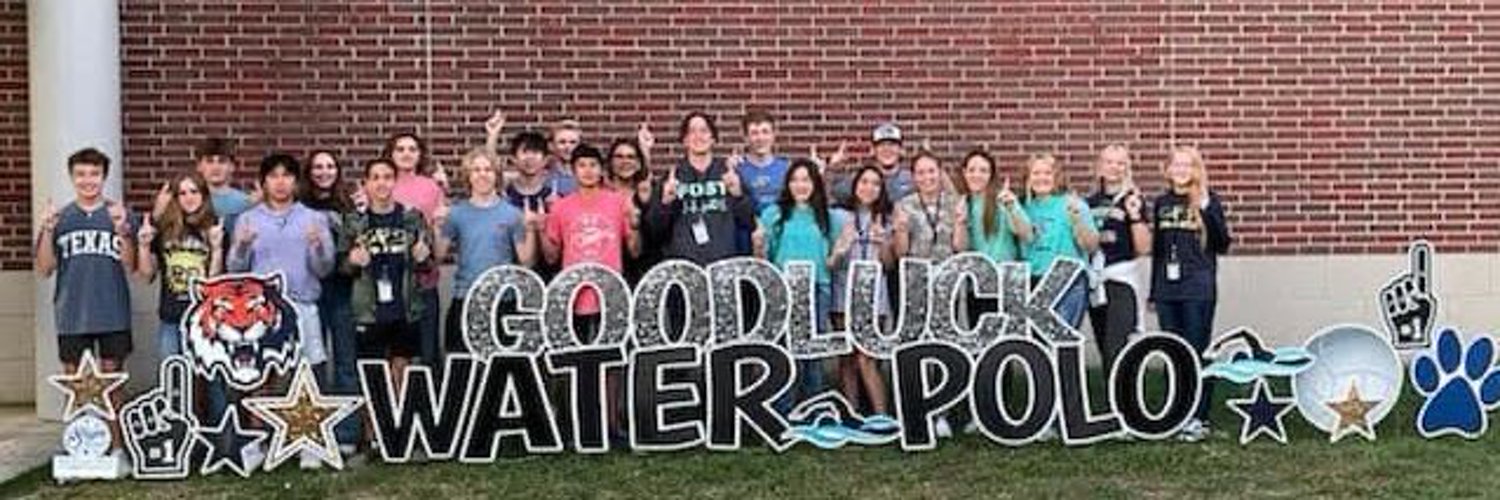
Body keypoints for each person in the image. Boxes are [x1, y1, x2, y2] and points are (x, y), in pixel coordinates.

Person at [36, 147, 136, 462]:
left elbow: (131, 266)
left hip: (112, 312)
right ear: (72, 177)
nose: (87, 180)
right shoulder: (61, 217)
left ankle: (116, 448)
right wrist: (48, 229)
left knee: (111, 387)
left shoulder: (119, 213)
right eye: (81, 174)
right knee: (76, 390)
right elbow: (45, 267)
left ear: (104, 176)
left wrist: (123, 231)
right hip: (72, 314)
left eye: (94, 174)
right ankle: (80, 448)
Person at [541, 144, 640, 444]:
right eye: (582, 165)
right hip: (575, 297)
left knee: (611, 364)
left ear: (601, 170)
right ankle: (574, 425)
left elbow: (634, 250)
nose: (588, 171)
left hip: (610, 295)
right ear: (573, 170)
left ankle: (610, 424)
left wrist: (634, 224)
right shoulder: (561, 206)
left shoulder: (617, 202)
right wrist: (539, 228)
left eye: (593, 165)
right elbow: (550, 256)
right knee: (573, 364)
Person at [340, 158, 433, 455]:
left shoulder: (411, 218)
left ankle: (400, 435)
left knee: (402, 373)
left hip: (405, 307)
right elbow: (340, 267)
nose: (381, 183)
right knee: (372, 376)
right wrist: (352, 262)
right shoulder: (354, 221)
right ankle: (369, 438)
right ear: (366, 183)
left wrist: (423, 257)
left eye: (387, 177)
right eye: (375, 177)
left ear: (395, 182)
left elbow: (426, 264)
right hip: (368, 309)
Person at [227, 153, 334, 382]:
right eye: (273, 176)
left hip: (302, 306)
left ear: (296, 182)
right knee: (264, 379)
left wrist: (317, 247)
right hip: (262, 311)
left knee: (310, 378)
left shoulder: (314, 218)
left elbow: (324, 269)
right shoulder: (247, 219)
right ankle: (257, 420)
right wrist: (243, 246)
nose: (280, 182)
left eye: (286, 176)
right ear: (264, 182)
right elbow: (235, 270)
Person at [1150, 145, 1233, 442]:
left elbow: (1222, 243)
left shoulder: (1209, 201)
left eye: (1188, 165)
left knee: (1196, 351)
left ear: (1197, 170)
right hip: (1167, 289)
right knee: (1173, 353)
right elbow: (1158, 252)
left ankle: (1199, 417)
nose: (1182, 170)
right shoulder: (1160, 203)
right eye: (1177, 164)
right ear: (1168, 169)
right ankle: (1175, 414)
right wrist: (1153, 291)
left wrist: (1208, 208)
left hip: (1198, 288)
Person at [889, 149, 968, 437]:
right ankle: (916, 409)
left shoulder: (955, 203)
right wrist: (899, 231)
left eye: (931, 171)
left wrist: (960, 223)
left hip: (947, 283)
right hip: (916, 283)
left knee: (944, 346)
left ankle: (942, 412)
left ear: (940, 172)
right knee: (917, 346)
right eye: (920, 172)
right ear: (914, 177)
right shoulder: (904, 205)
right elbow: (900, 254)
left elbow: (961, 247)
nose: (927, 177)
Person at [752, 159, 841, 413]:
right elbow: (763, 261)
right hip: (784, 288)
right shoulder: (774, 214)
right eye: (795, 180)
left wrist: (841, 251)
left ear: (815, 184)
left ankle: (813, 408)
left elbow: (830, 262)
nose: (800, 185)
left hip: (817, 287)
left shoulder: (828, 216)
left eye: (806, 180)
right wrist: (758, 244)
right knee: (787, 350)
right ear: (787, 184)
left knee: (812, 352)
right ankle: (783, 411)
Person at [436, 148, 537, 354]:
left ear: (496, 176)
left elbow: (526, 261)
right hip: (466, 296)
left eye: (488, 170)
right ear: (468, 176)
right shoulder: (456, 213)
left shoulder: (512, 214)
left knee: (499, 368)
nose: (482, 174)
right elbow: (438, 255)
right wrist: (436, 225)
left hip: (503, 299)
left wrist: (531, 229)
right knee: (462, 364)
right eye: (476, 170)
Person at [299, 149, 360, 455]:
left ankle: (347, 433)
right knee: (313, 364)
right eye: (318, 167)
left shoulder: (347, 205)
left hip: (342, 290)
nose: (324, 172)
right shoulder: (299, 207)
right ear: (309, 172)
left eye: (330, 166)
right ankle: (313, 429)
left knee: (346, 362)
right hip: (310, 290)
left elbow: (356, 246)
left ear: (338, 171)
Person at [828, 165, 896, 430]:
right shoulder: (838, 217)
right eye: (864, 182)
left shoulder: (887, 218)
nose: (869, 187)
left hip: (874, 295)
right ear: (855, 186)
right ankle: (851, 415)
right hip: (843, 291)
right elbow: (831, 261)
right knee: (846, 356)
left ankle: (882, 417)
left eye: (875, 184)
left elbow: (890, 265)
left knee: (867, 357)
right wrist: (842, 247)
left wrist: (884, 245)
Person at [137, 171, 223, 360]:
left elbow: (214, 282)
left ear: (203, 195)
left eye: (194, 191)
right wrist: (143, 247)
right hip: (172, 317)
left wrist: (217, 249)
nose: (189, 198)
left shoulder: (215, 227)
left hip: (205, 318)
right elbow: (147, 275)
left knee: (210, 380)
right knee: (172, 377)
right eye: (182, 193)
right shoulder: (163, 229)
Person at [1085, 144, 1152, 374]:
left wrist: (1134, 217)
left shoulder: (1133, 200)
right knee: (1104, 346)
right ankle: (1113, 403)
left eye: (1120, 162)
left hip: (1121, 279)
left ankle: (1127, 403)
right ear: (1099, 166)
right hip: (1095, 281)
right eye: (1109, 162)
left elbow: (1143, 248)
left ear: (1127, 167)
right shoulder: (1088, 202)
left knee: (1118, 347)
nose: (1114, 167)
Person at [382, 133, 446, 367]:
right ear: (391, 154)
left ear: (420, 155)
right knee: (394, 351)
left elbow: (438, 231)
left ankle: (427, 400)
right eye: (400, 149)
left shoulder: (431, 187)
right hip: (388, 280)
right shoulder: (381, 183)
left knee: (427, 350)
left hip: (422, 278)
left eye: (412, 149)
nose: (406, 154)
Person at [1018, 153, 1099, 329]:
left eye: (1047, 173)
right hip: (1033, 280)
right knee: (1037, 348)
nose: (1042, 178)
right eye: (1036, 173)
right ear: (1028, 178)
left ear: (1056, 177)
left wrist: (1077, 221)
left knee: (1061, 344)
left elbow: (1091, 246)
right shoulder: (1021, 207)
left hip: (1068, 281)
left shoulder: (1073, 203)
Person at [829, 122, 914, 202]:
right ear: (872, 150)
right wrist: (834, 168)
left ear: (901, 150)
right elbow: (835, 193)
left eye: (892, 144)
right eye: (881, 145)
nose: (887, 150)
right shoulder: (862, 179)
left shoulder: (912, 180)